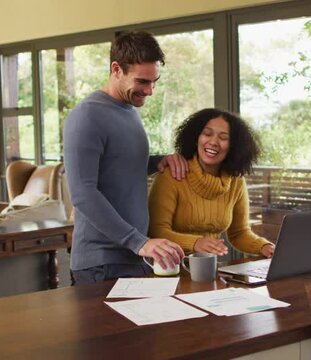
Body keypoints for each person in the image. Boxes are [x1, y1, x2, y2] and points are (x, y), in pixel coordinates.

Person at [64, 31, 187, 284]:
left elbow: (117, 166)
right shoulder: (86, 116)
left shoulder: (129, 110)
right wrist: (139, 242)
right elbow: (83, 193)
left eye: (154, 81)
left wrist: (156, 162)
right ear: (116, 69)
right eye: (142, 81)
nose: (150, 91)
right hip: (101, 264)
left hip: (135, 257)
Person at [148, 108, 275, 258]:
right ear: (196, 138)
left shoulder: (236, 182)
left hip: (209, 268)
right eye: (207, 134)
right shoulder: (172, 175)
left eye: (223, 137)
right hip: (170, 267)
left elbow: (239, 233)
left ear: (233, 146)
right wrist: (195, 243)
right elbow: (156, 231)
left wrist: (264, 246)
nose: (214, 142)